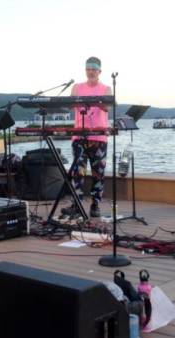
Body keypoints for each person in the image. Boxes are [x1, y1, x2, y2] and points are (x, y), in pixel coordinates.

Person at [64, 56, 112, 218]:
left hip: (99, 137)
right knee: (78, 171)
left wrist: (96, 101)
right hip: (79, 136)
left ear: (99, 71)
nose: (90, 72)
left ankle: (95, 204)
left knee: (98, 172)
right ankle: (76, 204)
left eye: (93, 69)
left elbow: (107, 107)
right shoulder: (77, 87)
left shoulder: (106, 89)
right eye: (88, 69)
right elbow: (70, 104)